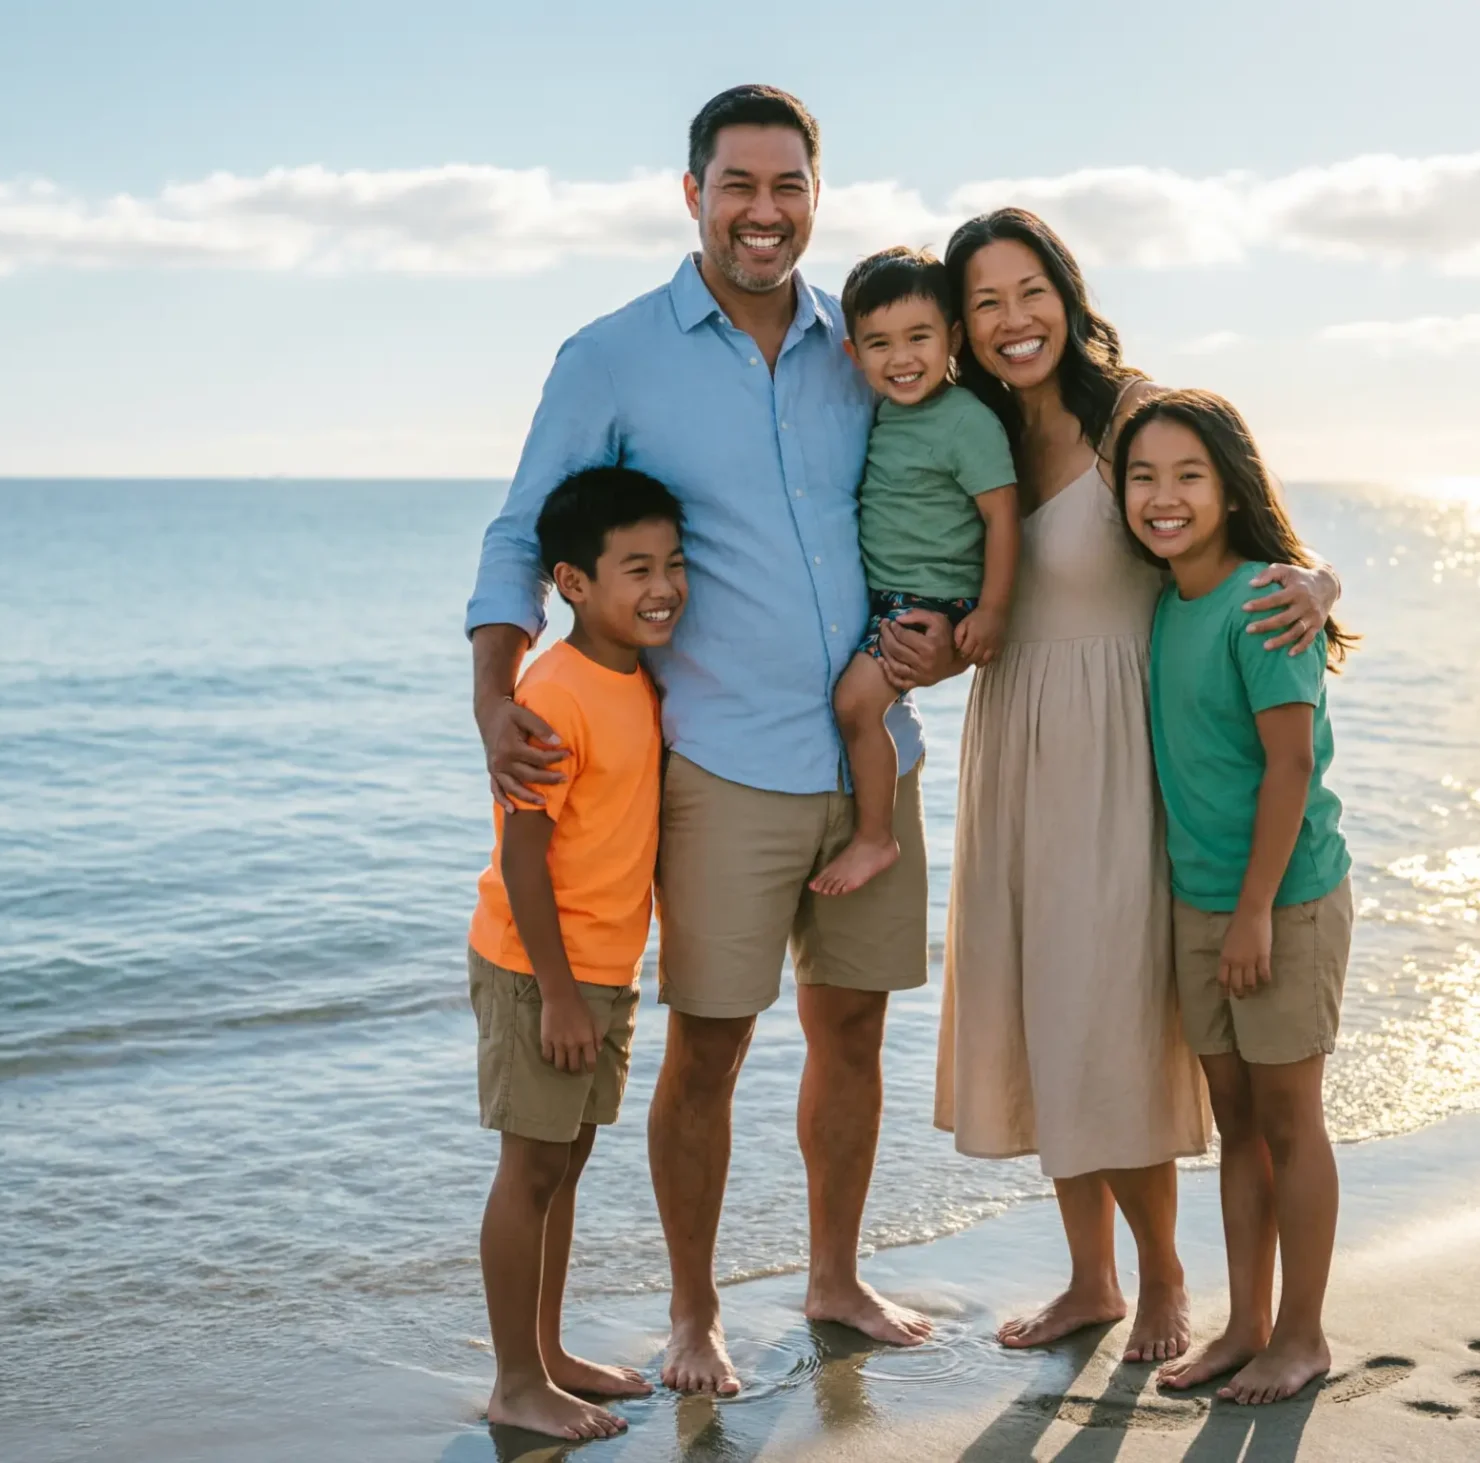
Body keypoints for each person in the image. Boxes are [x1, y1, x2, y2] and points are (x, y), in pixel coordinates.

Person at [465, 84, 958, 1396]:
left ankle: (836, 1277)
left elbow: (955, 492)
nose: (764, 210)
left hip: (872, 761)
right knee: (710, 1045)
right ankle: (693, 1313)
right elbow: (522, 533)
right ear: (692, 196)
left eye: (788, 185)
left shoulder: (863, 347)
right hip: (720, 769)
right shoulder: (612, 356)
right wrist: (492, 683)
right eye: (738, 184)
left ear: (816, 195)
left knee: (852, 1029)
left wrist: (949, 635)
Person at [931, 208, 1343, 1365]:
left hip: (1124, 737)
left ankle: (1164, 1277)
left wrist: (1320, 579)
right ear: (962, 325)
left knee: (1110, 1010)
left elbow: (1237, 521)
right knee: (1041, 1001)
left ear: (1066, 291)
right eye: (985, 303)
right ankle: (1088, 1277)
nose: (1014, 322)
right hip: (1012, 734)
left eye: (1031, 291)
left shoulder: (1130, 416)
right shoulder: (970, 435)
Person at [1117, 390, 1357, 1404]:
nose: (1163, 497)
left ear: (1229, 486)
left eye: (1187, 475)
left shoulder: (1267, 599)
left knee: (1290, 1117)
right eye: (1141, 477)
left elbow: (1290, 765)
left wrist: (1255, 908)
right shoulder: (1166, 599)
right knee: (1235, 1117)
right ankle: (1245, 1324)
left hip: (1283, 897)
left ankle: (1301, 1333)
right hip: (1198, 898)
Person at [468, 466, 688, 1441]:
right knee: (530, 1169)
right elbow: (521, 856)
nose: (663, 586)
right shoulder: (552, 690)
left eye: (674, 563)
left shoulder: (636, 676)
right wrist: (556, 994)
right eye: (635, 567)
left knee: (565, 1161)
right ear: (570, 580)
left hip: (603, 968)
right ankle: (515, 1378)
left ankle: (548, 1352)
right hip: (538, 969)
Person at [810, 246, 1019, 898]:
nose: (900, 358)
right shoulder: (887, 414)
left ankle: (877, 835)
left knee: (854, 704)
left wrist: (990, 612)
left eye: (918, 338)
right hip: (890, 596)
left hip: (927, 599)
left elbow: (1003, 518)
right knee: (857, 704)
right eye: (879, 344)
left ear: (952, 337)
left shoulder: (965, 420)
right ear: (854, 355)